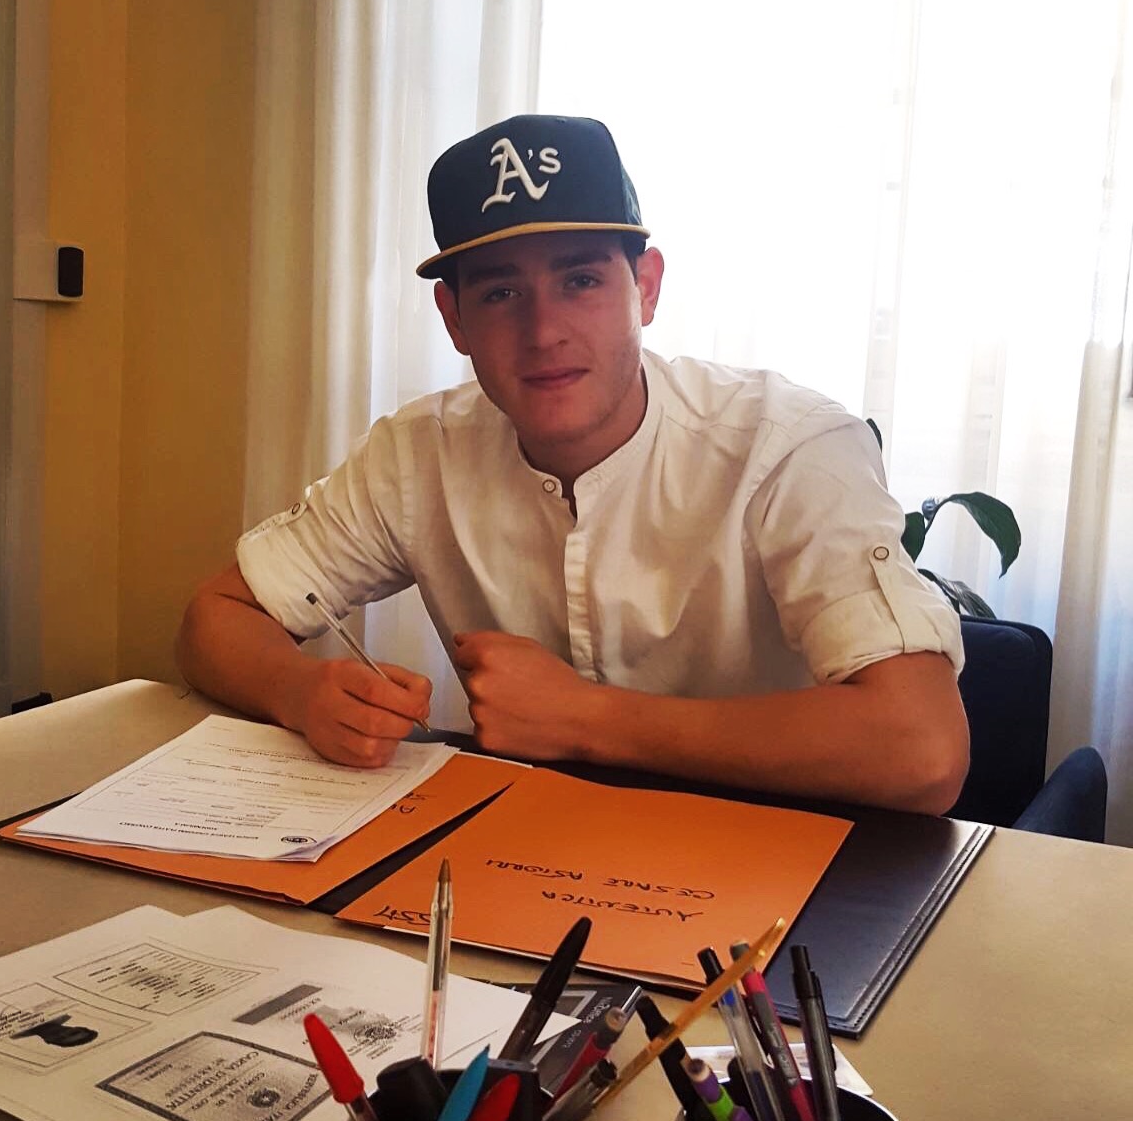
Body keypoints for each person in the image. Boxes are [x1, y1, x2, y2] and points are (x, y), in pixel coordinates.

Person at [176, 114, 968, 813]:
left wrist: (586, 717)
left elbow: (922, 748)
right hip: (519, 858)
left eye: (580, 279)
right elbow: (215, 616)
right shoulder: (418, 455)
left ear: (645, 288)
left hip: (772, 875)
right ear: (454, 319)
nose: (543, 330)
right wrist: (300, 690)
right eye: (500, 294)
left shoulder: (786, 446)